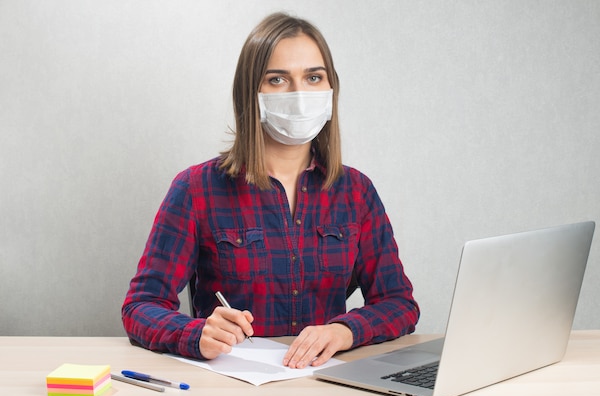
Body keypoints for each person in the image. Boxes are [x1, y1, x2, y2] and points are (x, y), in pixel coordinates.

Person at [121, 12, 419, 369]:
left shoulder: (356, 192)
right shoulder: (195, 189)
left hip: (327, 386)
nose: (298, 94)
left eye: (313, 77)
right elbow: (140, 306)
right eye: (277, 79)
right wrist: (195, 333)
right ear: (252, 92)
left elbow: (399, 303)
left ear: (330, 89)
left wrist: (345, 331)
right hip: (230, 388)